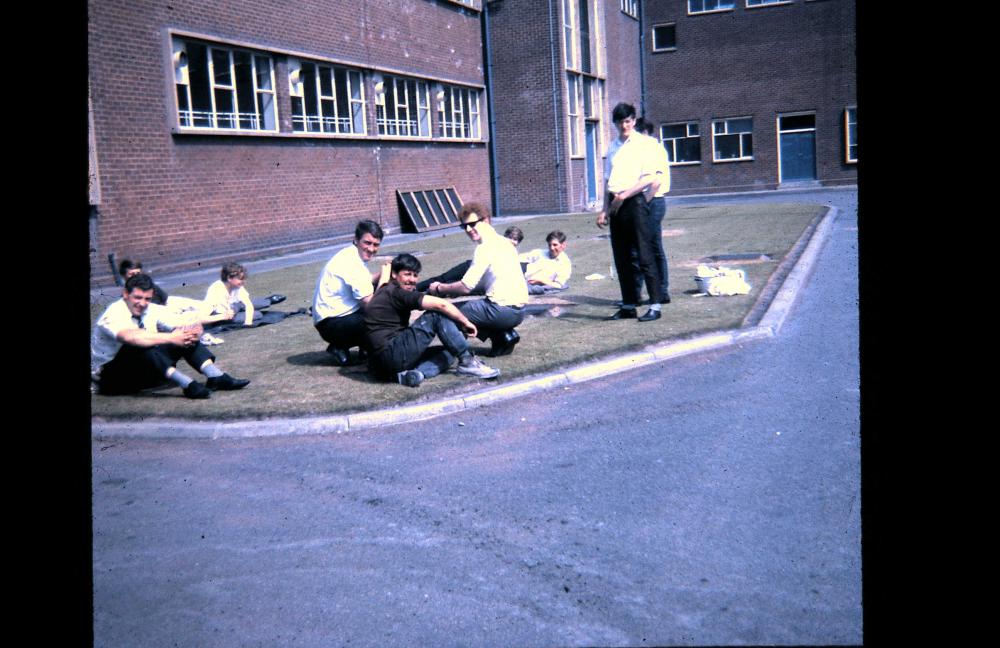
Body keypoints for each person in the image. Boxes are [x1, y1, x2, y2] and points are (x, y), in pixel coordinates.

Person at [91, 273, 250, 399]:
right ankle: (188, 385)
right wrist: (172, 337)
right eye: (137, 298)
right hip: (111, 379)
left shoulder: (150, 309)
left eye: (147, 298)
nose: (142, 303)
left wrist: (193, 330)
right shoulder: (114, 312)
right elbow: (130, 337)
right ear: (125, 294)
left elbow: (185, 320)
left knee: (182, 334)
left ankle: (216, 377)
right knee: (141, 342)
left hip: (146, 373)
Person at [364, 253, 501, 387]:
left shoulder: (383, 289)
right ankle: (468, 362)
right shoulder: (396, 293)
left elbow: (383, 283)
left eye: (415, 275)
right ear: (394, 274)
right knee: (436, 314)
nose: (412, 279)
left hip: (379, 367)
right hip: (391, 355)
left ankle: (416, 374)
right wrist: (465, 322)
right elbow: (441, 305)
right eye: (407, 274)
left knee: (448, 351)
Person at [427, 202, 528, 357]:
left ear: (486, 220)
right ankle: (504, 337)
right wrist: (454, 290)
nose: (468, 229)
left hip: (500, 310)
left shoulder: (484, 248)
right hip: (519, 312)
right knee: (471, 306)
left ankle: (459, 355)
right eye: (464, 226)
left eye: (472, 224)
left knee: (447, 311)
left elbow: (466, 286)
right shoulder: (505, 242)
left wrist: (440, 288)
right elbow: (485, 282)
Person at [596, 102, 666, 322]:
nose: (624, 125)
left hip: (633, 201)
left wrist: (624, 197)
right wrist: (604, 210)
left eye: (627, 121)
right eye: (619, 122)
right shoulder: (613, 146)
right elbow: (607, 179)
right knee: (622, 257)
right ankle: (628, 305)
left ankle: (655, 305)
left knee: (644, 255)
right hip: (615, 202)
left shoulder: (646, 144)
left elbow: (650, 177)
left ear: (634, 121)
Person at [312, 220, 390, 366]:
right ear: (356, 240)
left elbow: (365, 281)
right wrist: (385, 280)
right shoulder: (352, 262)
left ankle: (362, 348)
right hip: (330, 323)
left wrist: (382, 274)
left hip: (335, 317)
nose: (371, 249)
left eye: (376, 244)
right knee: (381, 315)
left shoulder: (352, 255)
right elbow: (371, 304)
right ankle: (341, 345)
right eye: (367, 243)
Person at [415, 226, 524, 293]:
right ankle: (416, 288)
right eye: (511, 238)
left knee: (451, 283)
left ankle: (428, 291)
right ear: (505, 236)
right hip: (471, 267)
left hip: (481, 275)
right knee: (444, 278)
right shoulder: (497, 243)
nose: (513, 241)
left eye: (516, 240)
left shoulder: (512, 254)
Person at [634, 117, 671, 304]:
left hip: (653, 202)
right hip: (651, 202)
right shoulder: (650, 149)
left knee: (645, 246)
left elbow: (655, 183)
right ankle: (658, 292)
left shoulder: (653, 149)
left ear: (645, 133)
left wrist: (642, 203)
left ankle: (657, 292)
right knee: (653, 246)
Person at [519, 230, 572, 295]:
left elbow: (558, 285)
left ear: (563, 245)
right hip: (522, 277)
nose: (552, 248)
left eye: (555, 245)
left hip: (535, 284)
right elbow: (520, 258)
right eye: (550, 245)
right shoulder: (540, 253)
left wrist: (540, 280)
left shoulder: (565, 263)